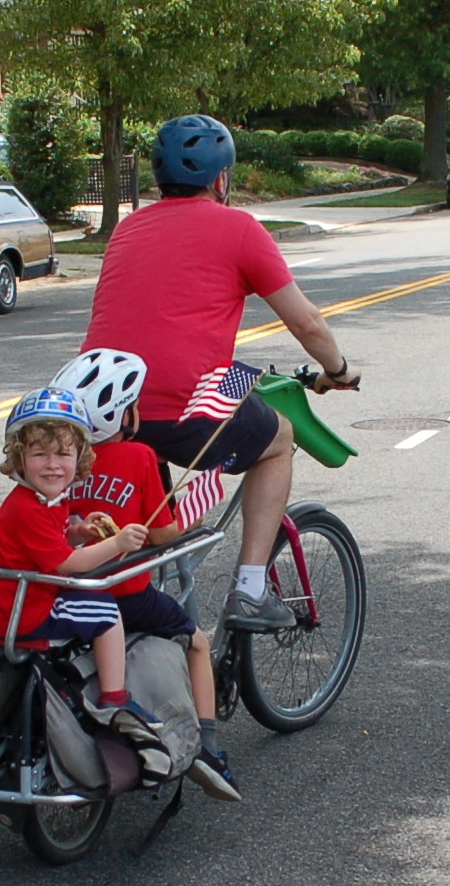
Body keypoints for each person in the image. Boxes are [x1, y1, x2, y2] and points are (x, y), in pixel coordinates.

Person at [82, 114, 361, 634]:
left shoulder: (127, 228)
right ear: (221, 178)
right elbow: (307, 323)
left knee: (153, 528)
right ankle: (250, 590)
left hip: (108, 413)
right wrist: (338, 370)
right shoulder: (239, 229)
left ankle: (151, 612)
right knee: (278, 438)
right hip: (183, 410)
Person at [53, 348, 241, 802]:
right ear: (124, 414)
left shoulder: (64, 461)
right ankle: (208, 747)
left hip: (71, 590)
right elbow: (161, 533)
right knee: (197, 641)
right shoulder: (140, 456)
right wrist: (192, 515)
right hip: (126, 594)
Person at [0, 385, 155, 720]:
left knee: (91, 603)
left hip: (15, 603)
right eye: (40, 454)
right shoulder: (28, 508)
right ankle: (114, 698)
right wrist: (117, 544)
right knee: (107, 613)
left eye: (64, 455)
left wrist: (79, 532)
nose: (52, 465)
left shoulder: (46, 499)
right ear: (19, 459)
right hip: (20, 613)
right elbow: (68, 563)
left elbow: (48, 543)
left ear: (79, 458)